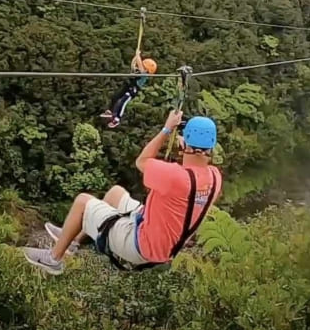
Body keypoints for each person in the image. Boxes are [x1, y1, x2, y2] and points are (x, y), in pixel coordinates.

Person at [23, 109, 222, 275]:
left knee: (83, 201)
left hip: (141, 244)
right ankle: (73, 241)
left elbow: (141, 161)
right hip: (165, 241)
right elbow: (188, 184)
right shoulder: (214, 178)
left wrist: (166, 130)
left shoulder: (174, 177)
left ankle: (54, 259)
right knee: (115, 193)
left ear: (185, 143)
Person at [100, 50, 157, 128]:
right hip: (127, 86)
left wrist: (138, 55)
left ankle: (117, 119)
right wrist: (135, 57)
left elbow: (140, 66)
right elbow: (133, 64)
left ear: (147, 69)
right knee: (115, 97)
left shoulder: (144, 74)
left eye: (144, 66)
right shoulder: (137, 70)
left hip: (132, 90)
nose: (141, 66)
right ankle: (110, 111)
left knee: (122, 102)